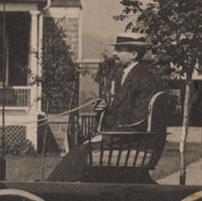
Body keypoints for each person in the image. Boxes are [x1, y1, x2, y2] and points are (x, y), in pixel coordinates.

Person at [46, 33, 157, 182]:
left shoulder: (144, 80)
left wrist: (107, 135)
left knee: (80, 153)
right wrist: (104, 110)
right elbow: (122, 113)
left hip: (129, 141)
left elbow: (138, 121)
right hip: (123, 138)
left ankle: (52, 190)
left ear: (133, 54)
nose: (114, 53)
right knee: (78, 150)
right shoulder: (125, 77)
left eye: (119, 50)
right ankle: (55, 187)